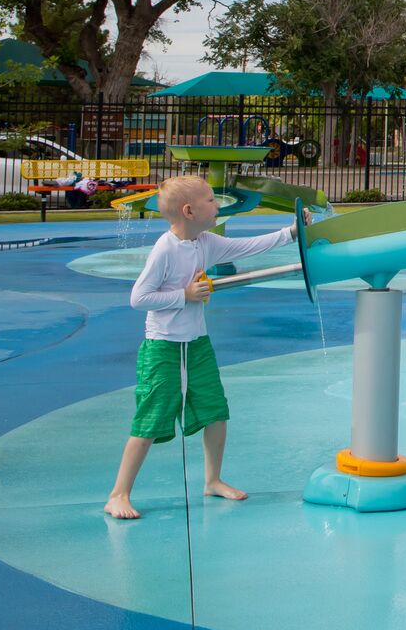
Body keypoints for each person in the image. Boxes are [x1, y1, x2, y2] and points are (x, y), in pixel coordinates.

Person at [103, 175, 303, 520]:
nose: (217, 205)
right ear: (189, 210)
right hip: (163, 348)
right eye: (211, 200)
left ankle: (212, 480)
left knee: (215, 411)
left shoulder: (205, 242)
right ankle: (118, 493)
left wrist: (290, 234)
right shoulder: (165, 250)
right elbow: (138, 298)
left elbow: (248, 246)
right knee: (150, 417)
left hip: (197, 344)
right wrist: (185, 296)